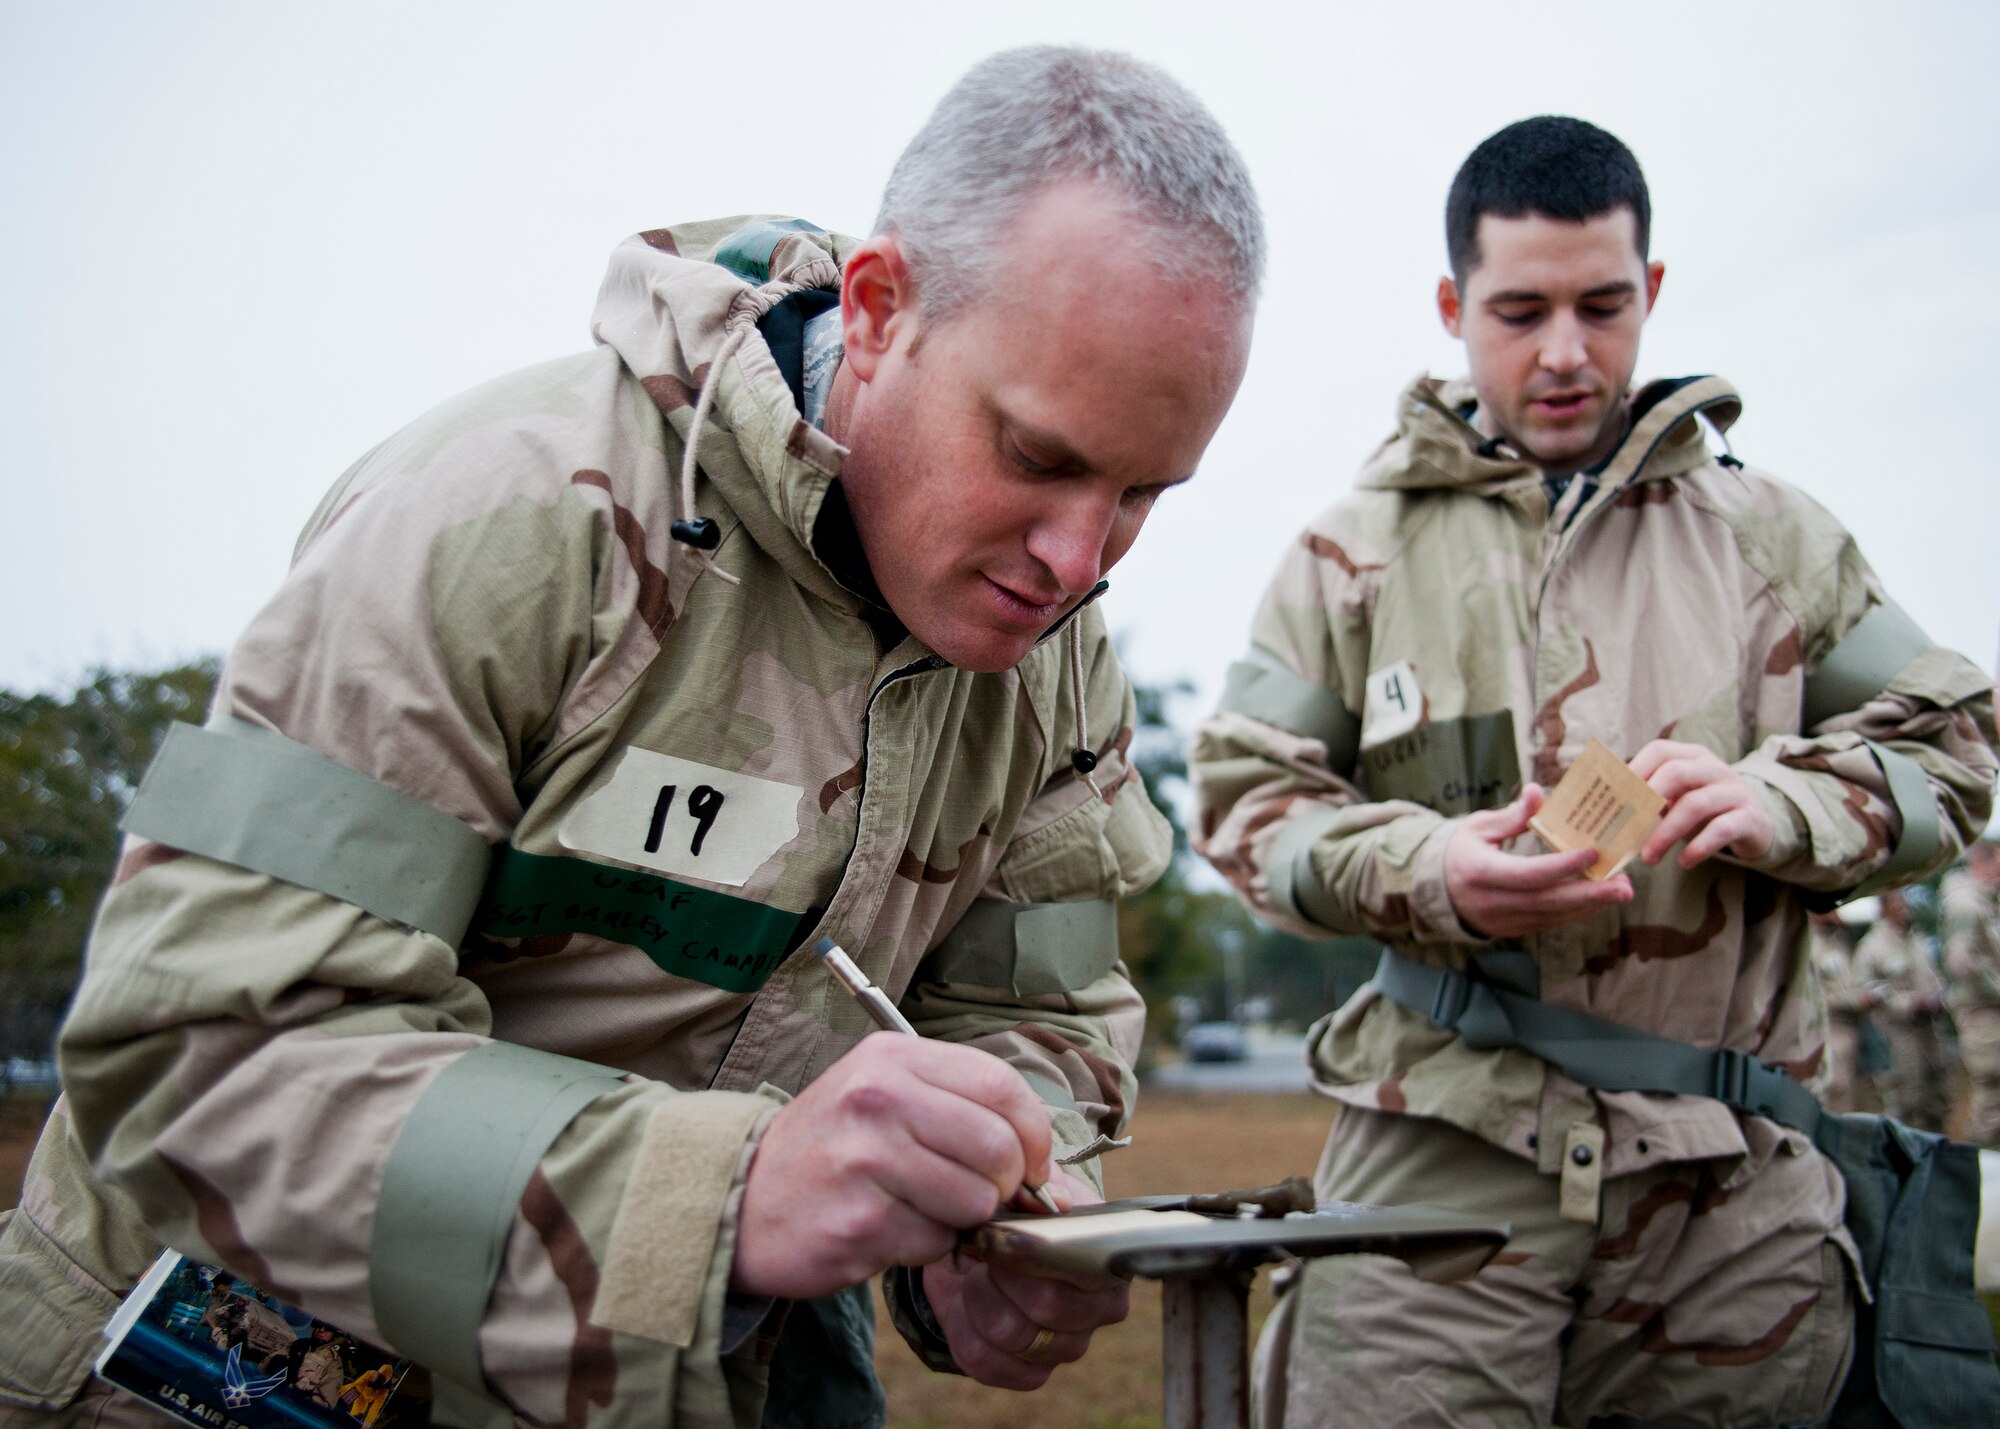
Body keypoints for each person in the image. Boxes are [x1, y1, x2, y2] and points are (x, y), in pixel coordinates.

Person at [0, 46, 1261, 1429]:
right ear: (882, 309)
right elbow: (201, 1048)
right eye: (1038, 457)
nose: (1080, 558)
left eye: (1146, 492)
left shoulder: (1056, 668)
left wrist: (1000, 1222)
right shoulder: (509, 523)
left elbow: (1038, 1016)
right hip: (234, 1367)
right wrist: (720, 1199)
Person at [1190, 115, 1996, 1428]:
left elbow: (1952, 745)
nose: (1564, 352)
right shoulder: (1351, 558)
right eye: (1519, 311)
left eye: (1602, 305)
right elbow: (1240, 803)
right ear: (1453, 306)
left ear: (1653, 293)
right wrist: (1425, 867)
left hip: (1729, 1209)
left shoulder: (1772, 540)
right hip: (1437, 1189)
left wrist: (1788, 803)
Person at [1852, 889, 1950, 1131]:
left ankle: (1938, 1155)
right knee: (1904, 1097)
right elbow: (1866, 991)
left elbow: (1934, 976)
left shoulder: (1916, 939)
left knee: (1938, 1096)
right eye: (1899, 904)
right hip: (1897, 1034)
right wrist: (1908, 1003)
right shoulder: (1871, 947)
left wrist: (1939, 999)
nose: (1905, 909)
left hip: (1929, 1031)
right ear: (1885, 908)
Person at [1942, 838, 2000, 1145]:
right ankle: (1983, 1170)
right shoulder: (1965, 903)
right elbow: (1960, 962)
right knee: (1990, 1095)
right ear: (1983, 861)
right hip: (1981, 1013)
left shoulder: (1983, 901)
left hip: (1989, 1011)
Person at [1810, 910, 1883, 1115]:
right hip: (1831, 1031)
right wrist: (1853, 1001)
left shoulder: (1839, 943)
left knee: (1867, 1093)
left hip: (1856, 1029)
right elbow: (1814, 996)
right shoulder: (1809, 945)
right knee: (1838, 1095)